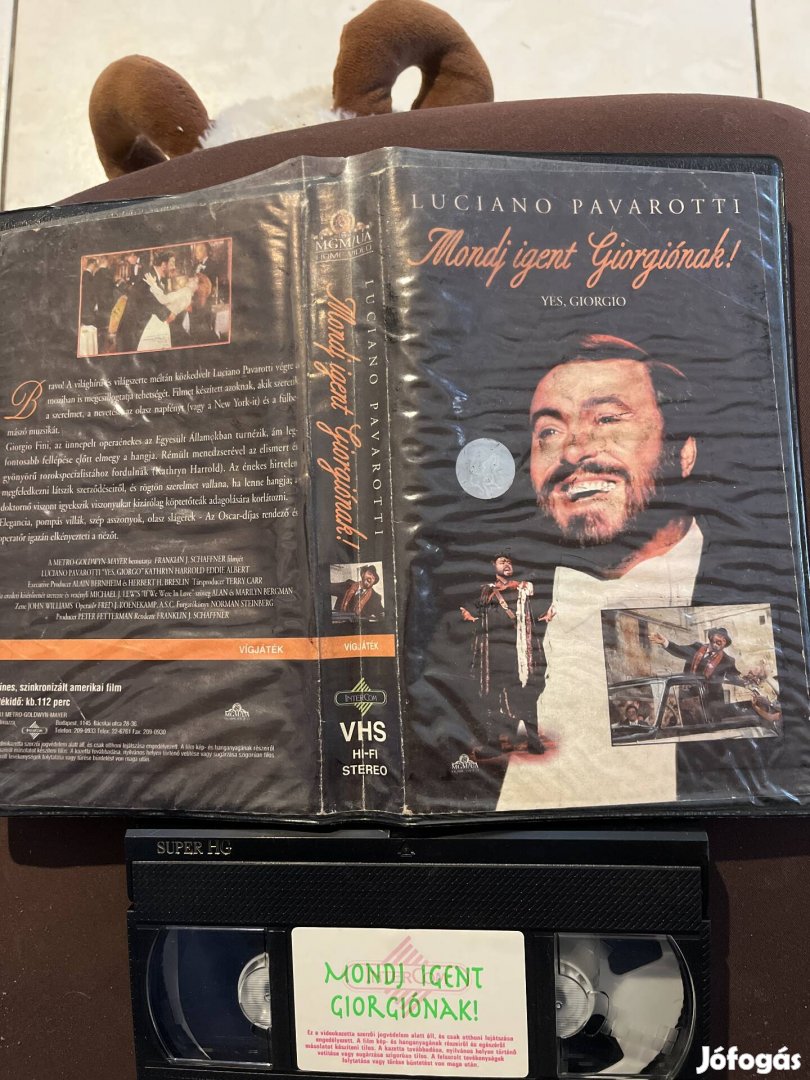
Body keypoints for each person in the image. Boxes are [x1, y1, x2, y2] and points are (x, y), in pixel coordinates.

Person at [498, 332, 704, 810]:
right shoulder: (498, 598)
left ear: (684, 452)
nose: (572, 451)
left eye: (608, 419)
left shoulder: (759, 587)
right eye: (549, 431)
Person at [460, 554, 553, 755]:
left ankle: (534, 741)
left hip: (519, 654)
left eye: (509, 562)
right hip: (494, 655)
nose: (507, 565)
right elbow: (471, 613)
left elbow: (538, 612)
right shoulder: (485, 592)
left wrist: (545, 615)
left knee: (526, 696)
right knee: (492, 699)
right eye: (502, 562)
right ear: (493, 566)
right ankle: (493, 744)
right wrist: (468, 616)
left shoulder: (523, 588)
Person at [649, 626, 744, 714]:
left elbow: (735, 678)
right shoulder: (696, 648)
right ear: (711, 636)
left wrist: (747, 680)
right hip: (688, 698)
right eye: (719, 636)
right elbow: (679, 650)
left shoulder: (727, 660)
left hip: (711, 704)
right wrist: (664, 642)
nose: (721, 640)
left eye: (724, 640)